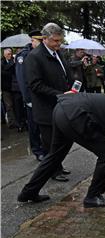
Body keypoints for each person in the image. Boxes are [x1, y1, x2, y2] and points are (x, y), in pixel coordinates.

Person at [18, 93, 105, 208]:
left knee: (55, 155)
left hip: (62, 108)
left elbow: (103, 116)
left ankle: (28, 192)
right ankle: (93, 196)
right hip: (75, 117)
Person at [25, 22, 72, 181]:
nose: (58, 44)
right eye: (55, 41)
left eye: (60, 40)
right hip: (46, 108)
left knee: (61, 140)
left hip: (61, 105)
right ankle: (53, 171)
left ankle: (58, 166)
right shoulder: (34, 57)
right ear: (44, 39)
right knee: (51, 143)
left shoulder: (58, 53)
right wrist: (60, 94)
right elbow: (35, 85)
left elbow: (64, 74)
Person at [15, 30, 47, 161]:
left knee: (44, 125)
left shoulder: (41, 54)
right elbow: (22, 80)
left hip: (42, 96)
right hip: (31, 98)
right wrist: (28, 99)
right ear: (34, 41)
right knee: (34, 126)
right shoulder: (24, 56)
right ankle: (37, 150)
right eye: (39, 42)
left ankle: (45, 149)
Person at [1, 48, 17, 129]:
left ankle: (17, 121)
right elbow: (3, 73)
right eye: (8, 54)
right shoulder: (2, 62)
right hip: (6, 88)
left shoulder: (15, 60)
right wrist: (11, 63)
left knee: (16, 105)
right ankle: (11, 123)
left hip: (14, 87)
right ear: (4, 54)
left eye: (10, 53)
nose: (10, 55)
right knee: (9, 106)